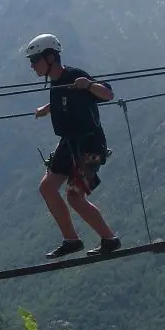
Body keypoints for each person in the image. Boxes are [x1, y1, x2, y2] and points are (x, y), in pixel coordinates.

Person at [22, 33, 122, 259]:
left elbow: (107, 94)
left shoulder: (76, 76)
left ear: (49, 57)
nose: (32, 66)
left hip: (90, 146)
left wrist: (88, 85)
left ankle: (110, 239)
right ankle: (71, 240)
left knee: (74, 197)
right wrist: (47, 109)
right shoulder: (57, 83)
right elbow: (65, 97)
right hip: (68, 144)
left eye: (34, 60)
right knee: (47, 188)